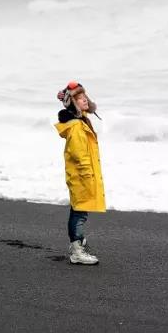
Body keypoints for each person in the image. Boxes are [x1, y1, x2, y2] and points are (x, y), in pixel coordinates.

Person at [54, 81, 106, 265]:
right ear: (73, 103)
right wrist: (86, 173)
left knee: (80, 210)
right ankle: (77, 249)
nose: (84, 100)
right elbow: (78, 153)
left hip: (81, 174)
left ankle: (79, 243)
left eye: (85, 97)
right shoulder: (76, 126)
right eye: (80, 99)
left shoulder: (82, 120)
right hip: (80, 175)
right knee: (79, 212)